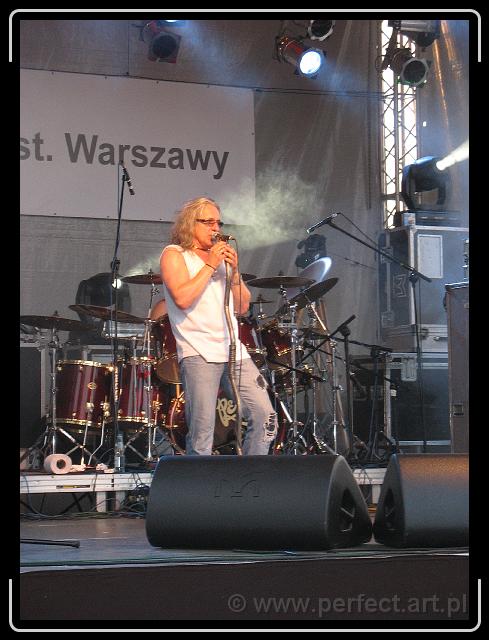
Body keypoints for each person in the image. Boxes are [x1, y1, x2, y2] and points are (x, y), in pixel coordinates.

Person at [160, 196, 277, 455]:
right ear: (190, 223)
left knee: (266, 417)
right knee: (202, 434)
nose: (216, 228)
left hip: (233, 350)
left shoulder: (221, 258)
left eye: (219, 223)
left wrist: (234, 273)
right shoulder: (175, 254)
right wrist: (211, 264)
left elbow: (242, 307)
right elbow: (182, 299)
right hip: (198, 352)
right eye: (209, 222)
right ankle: (198, 481)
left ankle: (252, 476)